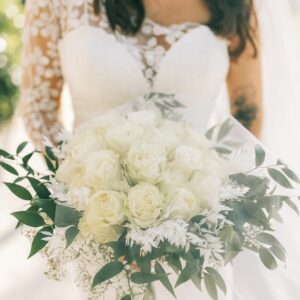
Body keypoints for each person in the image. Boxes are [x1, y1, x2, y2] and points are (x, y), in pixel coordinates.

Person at [19, 0, 299, 299]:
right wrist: (82, 189)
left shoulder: (234, 4)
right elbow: (39, 111)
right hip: (101, 230)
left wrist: (210, 200)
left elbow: (247, 111)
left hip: (196, 235)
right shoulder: (56, 4)